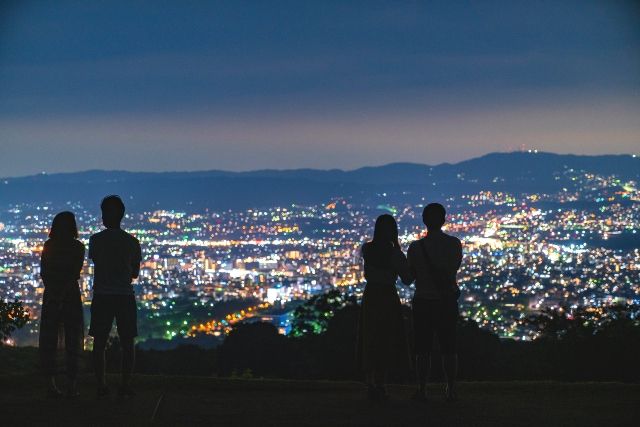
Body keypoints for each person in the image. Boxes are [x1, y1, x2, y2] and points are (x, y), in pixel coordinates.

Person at [408, 203, 463, 402]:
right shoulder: (454, 244)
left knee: (422, 349)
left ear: (424, 221)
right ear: (444, 220)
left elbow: (411, 275)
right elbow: (453, 269)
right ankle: (451, 387)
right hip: (446, 301)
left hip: (423, 301)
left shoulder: (415, 247)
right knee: (449, 347)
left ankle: (422, 388)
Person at [89, 195, 142, 398]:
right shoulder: (132, 242)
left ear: (104, 215)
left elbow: (97, 262)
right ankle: (125, 384)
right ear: (122, 215)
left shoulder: (96, 240)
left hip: (102, 295)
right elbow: (134, 273)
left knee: (99, 342)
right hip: (124, 296)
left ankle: (101, 384)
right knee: (128, 342)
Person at [357, 214, 412, 401]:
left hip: (371, 295)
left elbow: (368, 274)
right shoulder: (394, 254)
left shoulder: (367, 250)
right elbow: (407, 279)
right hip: (387, 296)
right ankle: (381, 384)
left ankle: (370, 382)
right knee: (386, 337)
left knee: (370, 336)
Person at [39, 211, 85, 398]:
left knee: (50, 339)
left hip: (51, 296)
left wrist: (55, 294)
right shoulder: (78, 247)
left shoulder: (49, 246)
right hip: (70, 296)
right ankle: (72, 385)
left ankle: (51, 385)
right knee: (73, 339)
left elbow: (44, 272)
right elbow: (74, 273)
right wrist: (63, 294)